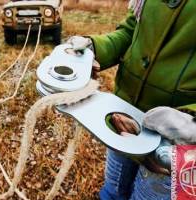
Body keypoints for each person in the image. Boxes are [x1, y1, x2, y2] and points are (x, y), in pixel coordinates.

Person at [68, 0, 196, 199]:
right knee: (113, 189)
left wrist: (191, 119)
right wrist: (94, 47)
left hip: (175, 144)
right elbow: (131, 32)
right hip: (124, 116)